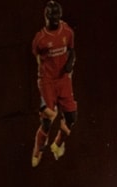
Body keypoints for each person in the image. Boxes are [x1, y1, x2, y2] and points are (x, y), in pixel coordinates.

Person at [30, 1, 77, 166]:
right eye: (51, 18)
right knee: (48, 118)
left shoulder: (68, 32)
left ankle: (57, 144)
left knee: (71, 117)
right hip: (47, 81)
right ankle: (37, 149)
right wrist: (43, 77)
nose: (54, 21)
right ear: (46, 17)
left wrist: (70, 62)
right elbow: (37, 57)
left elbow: (72, 51)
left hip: (63, 79)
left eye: (57, 17)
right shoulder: (40, 39)